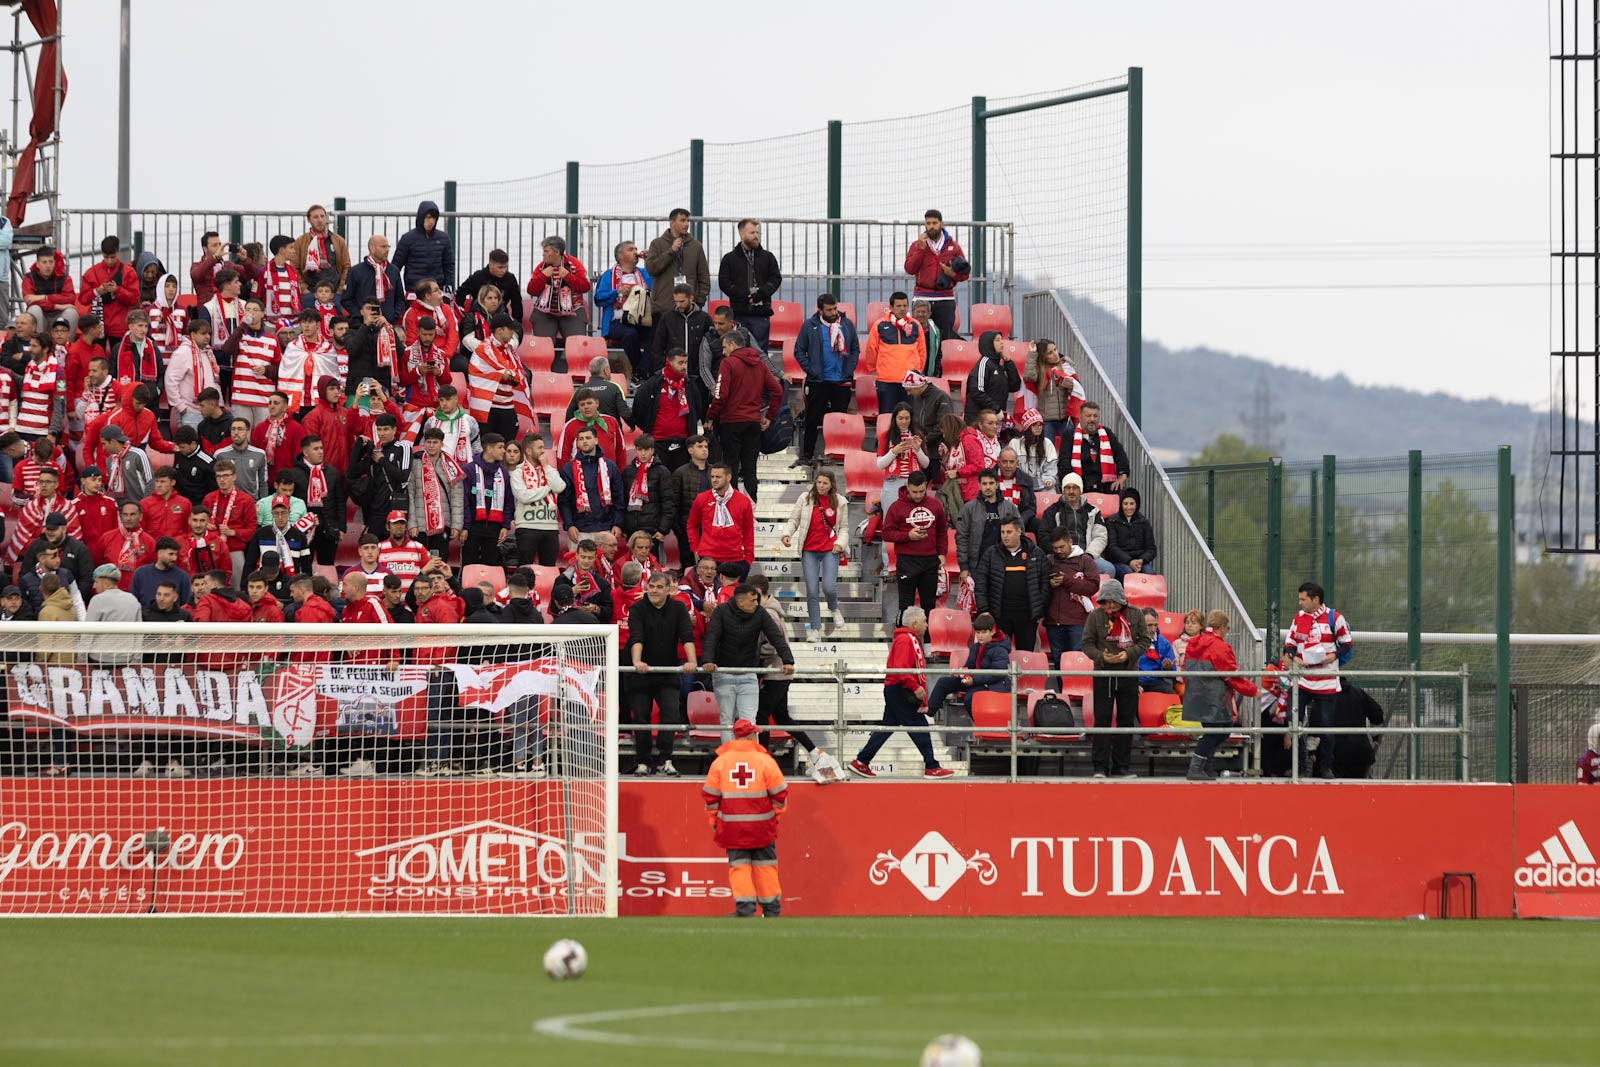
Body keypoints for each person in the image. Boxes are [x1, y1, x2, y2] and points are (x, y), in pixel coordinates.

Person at [849, 607, 955, 779]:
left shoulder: (907, 639)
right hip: (901, 690)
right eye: (924, 621)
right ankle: (931, 766)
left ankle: (862, 761)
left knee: (887, 727)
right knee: (919, 727)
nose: (927, 625)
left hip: (896, 689)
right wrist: (915, 687)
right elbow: (902, 669)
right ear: (915, 623)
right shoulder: (906, 640)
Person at [702, 717, 788, 917]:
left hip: (732, 827)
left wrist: (714, 821)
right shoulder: (765, 761)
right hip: (762, 826)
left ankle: (745, 909)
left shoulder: (721, 762)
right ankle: (771, 910)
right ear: (752, 736)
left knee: (739, 867)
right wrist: (775, 817)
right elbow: (780, 794)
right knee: (766, 867)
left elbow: (711, 797)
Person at [626, 571, 698, 777]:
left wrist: (692, 661)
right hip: (640, 674)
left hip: (667, 673)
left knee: (671, 715)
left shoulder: (678, 608)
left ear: (668, 590)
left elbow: (687, 636)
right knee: (641, 719)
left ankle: (664, 760)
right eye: (651, 586)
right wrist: (637, 661)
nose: (654, 591)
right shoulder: (637, 608)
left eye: (659, 587)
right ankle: (642, 761)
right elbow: (636, 637)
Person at [703, 582, 794, 742]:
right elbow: (712, 637)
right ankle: (729, 756)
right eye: (752, 600)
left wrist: (788, 661)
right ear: (740, 601)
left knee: (750, 723)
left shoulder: (760, 613)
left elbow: (776, 636)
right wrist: (708, 661)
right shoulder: (721, 611)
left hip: (749, 674)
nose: (757, 603)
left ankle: (750, 755)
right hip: (724, 674)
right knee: (727, 722)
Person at [1283, 580, 1353, 779]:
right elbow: (1290, 642)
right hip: (1302, 679)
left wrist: (1333, 655)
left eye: (1303, 599)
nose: (1300, 603)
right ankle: (1299, 764)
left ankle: (1325, 768)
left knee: (1326, 725)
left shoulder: (1335, 618)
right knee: (1292, 720)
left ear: (1316, 599)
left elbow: (1347, 643)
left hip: (1326, 681)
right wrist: (1292, 655)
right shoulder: (1299, 617)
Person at [1081, 579, 1150, 778]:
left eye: (1114, 602)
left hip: (1128, 674)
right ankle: (1099, 767)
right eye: (1106, 602)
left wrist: (1128, 654)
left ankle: (1121, 767)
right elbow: (1086, 644)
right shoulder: (1095, 616)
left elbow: (1145, 640)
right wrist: (1101, 656)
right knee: (1102, 720)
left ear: (1121, 599)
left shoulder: (1136, 614)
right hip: (1104, 675)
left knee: (1126, 721)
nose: (1110, 606)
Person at [705, 328, 782, 502]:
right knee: (750, 468)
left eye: (724, 347)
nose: (723, 352)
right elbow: (777, 390)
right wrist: (769, 416)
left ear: (733, 344)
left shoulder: (728, 363)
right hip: (753, 422)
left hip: (731, 422)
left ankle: (732, 507)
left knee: (730, 467)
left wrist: (710, 415)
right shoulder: (760, 364)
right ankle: (752, 507)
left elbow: (720, 394)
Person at [1181, 610, 1258, 781]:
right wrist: (1252, 690)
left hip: (1196, 695)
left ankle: (1205, 765)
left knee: (1219, 729)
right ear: (1222, 627)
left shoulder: (1193, 643)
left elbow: (1186, 668)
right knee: (1217, 731)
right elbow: (1231, 675)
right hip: (1214, 697)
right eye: (1227, 628)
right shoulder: (1220, 646)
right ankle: (1197, 767)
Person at [790, 293, 860, 468]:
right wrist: (812, 370)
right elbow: (799, 350)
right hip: (818, 382)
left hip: (841, 381)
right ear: (820, 310)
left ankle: (838, 456)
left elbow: (855, 349)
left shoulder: (846, 324)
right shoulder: (810, 326)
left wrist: (849, 370)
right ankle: (807, 455)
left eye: (835, 308)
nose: (833, 312)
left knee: (840, 421)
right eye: (829, 310)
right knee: (812, 419)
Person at [778, 466, 848, 641]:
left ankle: (834, 608)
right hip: (809, 549)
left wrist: (840, 543)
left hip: (830, 549)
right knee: (811, 591)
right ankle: (815, 629)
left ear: (832, 485)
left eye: (825, 483)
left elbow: (844, 528)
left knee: (829, 587)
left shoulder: (840, 502)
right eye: (819, 482)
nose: (821, 486)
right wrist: (787, 534)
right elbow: (794, 520)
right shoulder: (805, 498)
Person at [881, 471, 948, 623]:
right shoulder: (896, 506)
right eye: (914, 492)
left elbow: (941, 532)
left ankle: (928, 638)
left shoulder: (935, 504)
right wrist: (907, 536)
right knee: (905, 606)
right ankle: (902, 635)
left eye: (921, 491)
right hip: (907, 561)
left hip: (930, 561)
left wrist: (942, 553)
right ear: (907, 488)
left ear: (926, 487)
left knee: (929, 605)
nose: (918, 495)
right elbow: (886, 533)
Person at [973, 516, 1047, 652]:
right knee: (998, 653)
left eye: (1009, 532)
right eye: (1002, 532)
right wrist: (984, 609)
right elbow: (981, 583)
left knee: (1025, 655)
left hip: (1027, 616)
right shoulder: (991, 554)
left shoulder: (1036, 553)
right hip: (999, 615)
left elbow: (1044, 583)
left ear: (1019, 532)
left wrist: (1038, 610)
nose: (1005, 536)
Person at [925, 610, 1011, 725]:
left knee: (970, 698)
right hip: (974, 681)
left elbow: (997, 674)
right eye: (978, 632)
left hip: (991, 684)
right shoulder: (975, 647)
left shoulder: (1000, 649)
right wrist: (964, 673)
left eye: (984, 632)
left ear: (992, 631)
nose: (980, 636)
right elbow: (969, 665)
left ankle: (982, 725)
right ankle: (929, 714)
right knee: (943, 682)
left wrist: (973, 680)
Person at [904, 208, 970, 341]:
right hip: (921, 297)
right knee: (919, 338)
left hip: (945, 299)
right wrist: (921, 249)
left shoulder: (954, 246)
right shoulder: (917, 245)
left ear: (942, 224)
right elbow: (910, 269)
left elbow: (965, 273)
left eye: (934, 223)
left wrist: (953, 274)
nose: (931, 226)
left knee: (943, 339)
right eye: (928, 223)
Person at [631, 348, 699, 474]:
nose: (684, 367)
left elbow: (698, 408)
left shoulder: (689, 384)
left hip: (683, 443)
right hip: (658, 443)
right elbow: (639, 409)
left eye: (685, 363)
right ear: (669, 362)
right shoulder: (653, 384)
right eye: (680, 363)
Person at [717, 219, 782, 351]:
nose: (756, 236)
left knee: (759, 353)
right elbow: (724, 282)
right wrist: (743, 295)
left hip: (761, 314)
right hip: (739, 313)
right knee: (738, 351)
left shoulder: (768, 257)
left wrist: (761, 294)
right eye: (752, 233)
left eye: (757, 233)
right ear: (742, 234)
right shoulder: (729, 259)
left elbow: (775, 279)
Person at [286, 435, 347, 572]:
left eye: (321, 448)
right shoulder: (294, 474)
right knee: (304, 568)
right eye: (316, 449)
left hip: (328, 529)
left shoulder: (332, 473)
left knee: (327, 568)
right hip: (304, 529)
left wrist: (341, 528)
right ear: (305, 452)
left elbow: (340, 502)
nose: (320, 452)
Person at [595, 240, 653, 382]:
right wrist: (617, 292)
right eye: (630, 249)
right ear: (620, 256)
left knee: (657, 333)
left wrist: (650, 261)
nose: (635, 252)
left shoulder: (645, 273)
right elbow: (598, 299)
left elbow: (656, 289)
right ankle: (641, 373)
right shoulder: (609, 275)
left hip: (642, 319)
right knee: (629, 335)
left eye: (636, 249)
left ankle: (639, 373)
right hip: (618, 320)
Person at [558, 425, 624, 549]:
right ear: (577, 443)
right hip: (579, 531)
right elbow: (564, 501)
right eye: (581, 439)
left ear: (596, 440)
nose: (584, 441)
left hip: (606, 528)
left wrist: (618, 523)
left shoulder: (610, 467)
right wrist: (569, 525)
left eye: (588, 438)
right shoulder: (568, 469)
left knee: (604, 562)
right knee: (579, 562)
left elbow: (618, 498)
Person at [686, 463, 755, 580]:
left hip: (735, 558)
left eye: (718, 477)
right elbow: (692, 525)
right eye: (712, 477)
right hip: (708, 557)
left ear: (728, 477)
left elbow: (748, 531)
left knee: (732, 592)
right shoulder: (702, 498)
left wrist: (749, 558)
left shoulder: (743, 501)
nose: (714, 480)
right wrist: (695, 548)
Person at [650, 285, 712, 416]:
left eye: (682, 301)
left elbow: (711, 346)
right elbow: (657, 348)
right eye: (676, 301)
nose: (678, 305)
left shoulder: (704, 319)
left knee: (699, 413)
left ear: (691, 298)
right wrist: (662, 372)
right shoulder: (667, 318)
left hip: (698, 378)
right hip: (673, 379)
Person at [1039, 473, 1114, 577]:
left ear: (1081, 490)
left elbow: (1100, 536)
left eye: (1075, 487)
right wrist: (1060, 552)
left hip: (1087, 556)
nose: (1071, 491)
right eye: (1067, 488)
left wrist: (1089, 555)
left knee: (1109, 569)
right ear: (1063, 490)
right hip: (1061, 557)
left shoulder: (1093, 511)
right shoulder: (1052, 511)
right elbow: (1043, 536)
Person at [1043, 527, 1101, 660]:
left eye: (1061, 547)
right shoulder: (1049, 561)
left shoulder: (1085, 560)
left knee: (1077, 661)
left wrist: (1067, 580)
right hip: (1053, 621)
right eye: (1055, 548)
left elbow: (1093, 587)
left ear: (1070, 542)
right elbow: (1038, 584)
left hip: (1077, 622)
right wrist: (1048, 584)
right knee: (1058, 661)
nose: (1058, 551)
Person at [955, 469, 1020, 587]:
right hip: (977, 564)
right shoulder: (969, 508)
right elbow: (962, 537)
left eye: (991, 483)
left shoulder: (1009, 508)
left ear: (997, 484)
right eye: (984, 484)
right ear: (979, 485)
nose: (988, 487)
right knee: (980, 598)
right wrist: (964, 567)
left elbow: (1020, 533)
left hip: (1004, 563)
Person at [409, 426, 466, 558]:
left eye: (435, 442)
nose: (431, 445)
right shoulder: (415, 463)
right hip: (420, 525)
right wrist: (411, 524)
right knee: (421, 562)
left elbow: (457, 497)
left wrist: (456, 525)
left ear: (442, 444)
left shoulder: (451, 465)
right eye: (428, 442)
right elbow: (410, 494)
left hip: (443, 523)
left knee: (439, 562)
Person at [864, 292, 924, 417]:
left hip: (910, 381)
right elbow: (871, 349)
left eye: (905, 306)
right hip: (886, 380)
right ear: (891, 307)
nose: (902, 309)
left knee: (909, 417)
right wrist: (873, 369)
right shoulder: (880, 325)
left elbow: (922, 351)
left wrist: (917, 371)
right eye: (899, 306)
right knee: (886, 417)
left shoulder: (915, 325)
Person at [508, 435, 565, 567]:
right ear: (528, 451)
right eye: (539, 448)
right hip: (527, 527)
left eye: (543, 447)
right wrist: (547, 488)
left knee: (549, 569)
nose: (543, 451)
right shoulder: (517, 472)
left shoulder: (550, 470)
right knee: (525, 569)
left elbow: (559, 487)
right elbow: (524, 496)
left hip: (550, 527)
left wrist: (546, 466)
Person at [76, 235, 139, 350]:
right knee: (95, 356)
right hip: (96, 324)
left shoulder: (128, 272)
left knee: (120, 356)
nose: (109, 261)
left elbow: (134, 299)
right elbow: (83, 299)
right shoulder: (91, 273)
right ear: (102, 254)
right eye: (106, 257)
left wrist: (117, 290)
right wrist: (96, 291)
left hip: (119, 324)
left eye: (112, 257)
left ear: (118, 252)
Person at [645, 208, 711, 316]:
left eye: (688, 221)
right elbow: (651, 268)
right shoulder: (657, 244)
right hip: (662, 307)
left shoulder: (696, 246)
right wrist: (671, 251)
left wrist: (699, 301)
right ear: (672, 222)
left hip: (689, 308)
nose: (686, 224)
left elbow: (704, 276)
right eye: (682, 220)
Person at [526, 235, 590, 345]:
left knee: (577, 345)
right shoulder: (541, 267)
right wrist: (543, 276)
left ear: (557, 252)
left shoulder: (574, 264)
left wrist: (568, 276)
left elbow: (585, 287)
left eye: (546, 251)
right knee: (543, 345)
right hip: (545, 311)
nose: (543, 254)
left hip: (573, 310)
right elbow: (531, 290)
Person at [461, 433, 512, 567]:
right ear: (489, 449)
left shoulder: (503, 472)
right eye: (500, 447)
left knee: (491, 566)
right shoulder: (468, 470)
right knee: (469, 565)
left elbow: (508, 502)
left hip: (494, 528)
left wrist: (505, 526)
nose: (504, 451)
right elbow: (464, 500)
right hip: (473, 527)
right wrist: (465, 526)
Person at [1059, 401, 1130, 495]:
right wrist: (1073, 482)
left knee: (1127, 495)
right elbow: (1064, 462)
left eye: (1095, 416)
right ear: (1080, 417)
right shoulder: (1069, 436)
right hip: (1080, 486)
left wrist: (1122, 475)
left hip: (1105, 486)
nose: (1092, 419)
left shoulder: (1107, 433)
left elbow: (1120, 454)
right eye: (1088, 416)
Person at [621, 434, 672, 554]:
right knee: (632, 561)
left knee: (652, 562)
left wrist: (663, 529)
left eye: (646, 450)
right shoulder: (627, 471)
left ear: (652, 451)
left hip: (653, 529)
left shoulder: (662, 471)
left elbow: (668, 502)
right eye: (640, 450)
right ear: (636, 451)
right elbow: (623, 500)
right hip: (632, 528)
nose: (643, 453)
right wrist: (623, 526)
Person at [1024, 338, 1078, 448]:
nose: (1055, 354)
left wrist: (1072, 386)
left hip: (1065, 418)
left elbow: (1077, 390)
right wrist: (1032, 354)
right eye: (1050, 353)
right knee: (1048, 450)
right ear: (1043, 356)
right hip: (1047, 420)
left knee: (1071, 448)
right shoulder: (1039, 370)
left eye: (1055, 349)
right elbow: (1029, 377)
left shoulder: (1065, 366)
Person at [392, 199, 454, 293]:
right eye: (428, 217)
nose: (431, 221)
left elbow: (448, 265)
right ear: (421, 217)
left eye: (434, 218)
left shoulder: (443, 238)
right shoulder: (407, 238)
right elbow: (396, 266)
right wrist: (395, 290)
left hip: (437, 289)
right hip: (414, 289)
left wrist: (448, 286)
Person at [290, 205, 352, 298]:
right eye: (315, 217)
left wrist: (340, 289)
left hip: (334, 293)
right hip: (310, 293)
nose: (320, 220)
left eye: (322, 216)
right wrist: (304, 288)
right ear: (308, 220)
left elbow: (346, 266)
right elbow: (294, 266)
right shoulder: (301, 241)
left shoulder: (338, 241)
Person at [1332, 678, 1386, 780]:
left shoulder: (1326, 696)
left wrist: (1312, 749)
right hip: (1360, 750)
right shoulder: (1358, 693)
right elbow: (1377, 712)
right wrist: (1376, 736)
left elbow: (1316, 719)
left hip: (1334, 752)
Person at [341, 236, 404, 323]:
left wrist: (393, 315)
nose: (387, 250)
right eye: (383, 246)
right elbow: (347, 299)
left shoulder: (393, 271)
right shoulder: (356, 271)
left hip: (388, 322)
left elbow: (400, 298)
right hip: (362, 324)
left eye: (388, 247)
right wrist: (360, 315)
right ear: (372, 248)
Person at [455, 249, 523, 324]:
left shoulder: (510, 279)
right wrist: (461, 310)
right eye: (500, 267)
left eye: (505, 267)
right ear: (491, 265)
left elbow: (517, 303)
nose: (503, 270)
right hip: (478, 318)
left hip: (501, 317)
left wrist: (516, 324)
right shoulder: (478, 277)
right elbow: (461, 292)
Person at [563, 356, 632, 429]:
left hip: (588, 433)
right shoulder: (615, 387)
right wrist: (632, 424)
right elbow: (625, 414)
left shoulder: (579, 390)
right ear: (606, 370)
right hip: (610, 432)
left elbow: (569, 416)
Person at [963, 330, 1019, 420]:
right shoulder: (983, 364)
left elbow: (1015, 386)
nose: (1002, 343)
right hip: (979, 419)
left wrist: (1009, 362)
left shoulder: (999, 366)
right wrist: (996, 409)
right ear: (988, 344)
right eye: (997, 340)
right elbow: (977, 392)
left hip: (995, 417)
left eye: (1001, 339)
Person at [553, 538, 613, 622]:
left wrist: (596, 609)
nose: (586, 561)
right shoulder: (562, 580)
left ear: (595, 558)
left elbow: (608, 612)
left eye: (590, 558)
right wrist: (571, 592)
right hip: (568, 624)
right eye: (583, 557)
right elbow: (553, 608)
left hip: (592, 624)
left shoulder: (602, 584)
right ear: (577, 556)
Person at [1104, 487, 1157, 577]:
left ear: (1137, 504)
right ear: (1121, 505)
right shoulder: (1112, 521)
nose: (1129, 507)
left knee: (1150, 574)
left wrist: (1142, 560)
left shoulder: (1144, 522)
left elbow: (1151, 548)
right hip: (1120, 561)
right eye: (1125, 504)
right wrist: (1129, 561)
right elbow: (1112, 547)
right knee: (1129, 574)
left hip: (1140, 561)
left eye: (1132, 504)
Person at [22, 248, 77, 335]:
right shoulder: (29, 278)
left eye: (51, 262)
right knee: (34, 309)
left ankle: (65, 343)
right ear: (37, 264)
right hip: (42, 314)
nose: (48, 266)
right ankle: (37, 342)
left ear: (55, 263)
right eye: (44, 262)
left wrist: (45, 297)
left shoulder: (65, 277)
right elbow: (30, 301)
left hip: (59, 315)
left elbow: (70, 299)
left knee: (71, 312)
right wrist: (57, 306)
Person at [130, 536, 191, 612]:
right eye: (171, 554)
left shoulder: (182, 577)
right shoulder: (141, 573)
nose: (174, 558)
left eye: (176, 554)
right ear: (159, 553)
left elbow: (186, 606)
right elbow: (133, 602)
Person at [1013, 408, 1059, 490]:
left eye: (1040, 425)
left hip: (1044, 486)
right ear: (1027, 427)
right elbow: (1012, 469)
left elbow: (1051, 468)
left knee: (1051, 492)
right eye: (1034, 425)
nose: (1038, 427)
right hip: (1021, 486)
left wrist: (1049, 480)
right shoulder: (1015, 443)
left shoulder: (1047, 443)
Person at [1138, 607, 1177, 694]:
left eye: (1155, 625)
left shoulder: (1164, 643)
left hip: (1158, 681)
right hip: (1137, 681)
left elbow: (1172, 673)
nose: (1153, 629)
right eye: (1149, 625)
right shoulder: (1132, 642)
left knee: (1171, 695)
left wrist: (1168, 668)